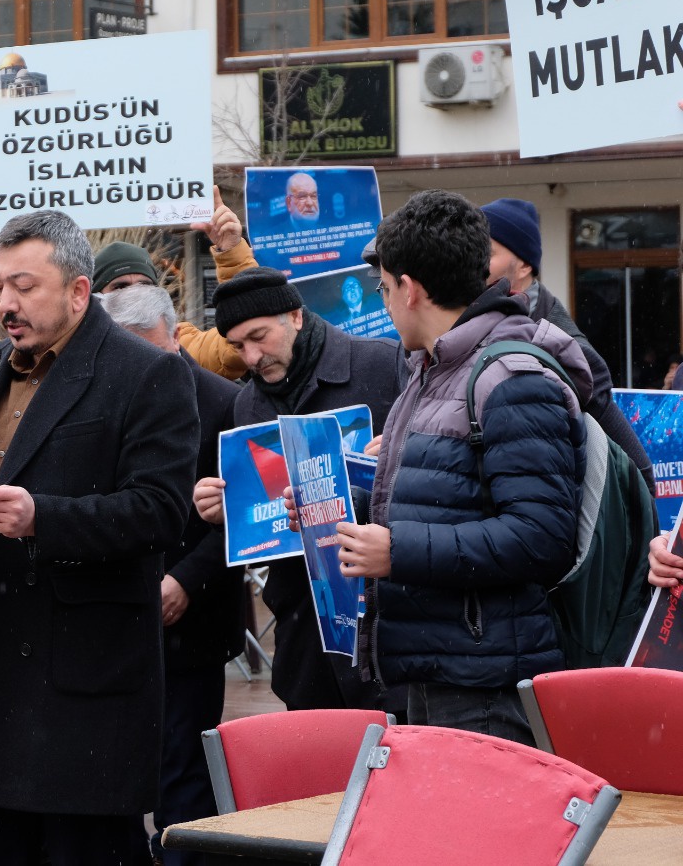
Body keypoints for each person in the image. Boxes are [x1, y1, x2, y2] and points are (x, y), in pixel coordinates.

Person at [0, 211, 198, 866]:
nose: (6, 304)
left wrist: (43, 516)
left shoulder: (145, 374)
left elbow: (160, 512)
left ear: (78, 292)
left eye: (24, 286)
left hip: (78, 691)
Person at [338, 190, 588, 744]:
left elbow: (542, 536)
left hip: (485, 683)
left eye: (383, 288)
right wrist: (339, 511)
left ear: (409, 288)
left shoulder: (508, 378)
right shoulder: (431, 372)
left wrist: (397, 550)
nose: (383, 304)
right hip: (438, 666)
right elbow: (441, 500)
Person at [191, 266, 402, 712]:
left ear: (296, 317)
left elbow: (438, 484)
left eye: (259, 336)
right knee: (319, 777)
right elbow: (261, 527)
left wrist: (404, 457)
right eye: (236, 346)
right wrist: (227, 510)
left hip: (385, 623)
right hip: (302, 630)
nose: (250, 357)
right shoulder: (246, 403)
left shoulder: (383, 364)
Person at [101, 283, 241, 866]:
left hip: (194, 619)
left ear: (176, 335)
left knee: (184, 771)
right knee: (115, 771)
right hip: (114, 618)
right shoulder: (104, 397)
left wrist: (187, 578)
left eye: (151, 351)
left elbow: (245, 516)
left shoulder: (226, 402)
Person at [0, 187, 258, 379]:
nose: (135, 294)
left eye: (145, 285)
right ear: (86, 295)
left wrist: (231, 252)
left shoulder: (177, 342)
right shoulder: (60, 352)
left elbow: (241, 343)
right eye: (121, 287)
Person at [480, 197, 654, 489]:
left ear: (523, 265)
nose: (474, 261)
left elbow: (640, 473)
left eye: (486, 251)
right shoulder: (477, 325)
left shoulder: (565, 348)